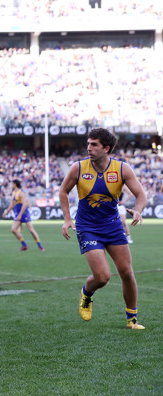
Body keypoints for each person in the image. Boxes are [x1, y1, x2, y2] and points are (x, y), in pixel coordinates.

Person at [59, 128, 147, 330]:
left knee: (126, 272)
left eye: (94, 144)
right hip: (87, 227)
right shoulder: (78, 168)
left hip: (113, 226)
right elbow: (63, 191)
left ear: (106, 148)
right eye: (88, 143)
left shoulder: (122, 169)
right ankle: (86, 294)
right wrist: (66, 219)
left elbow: (141, 195)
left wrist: (139, 210)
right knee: (103, 277)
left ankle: (131, 319)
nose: (88, 148)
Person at [2, 179, 44, 251]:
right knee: (13, 230)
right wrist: (6, 212)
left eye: (12, 184)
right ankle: (24, 245)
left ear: (15, 184)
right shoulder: (14, 193)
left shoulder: (21, 193)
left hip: (24, 213)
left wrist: (20, 215)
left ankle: (40, 246)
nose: (11, 185)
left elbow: (24, 205)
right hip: (18, 213)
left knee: (31, 230)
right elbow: (12, 204)